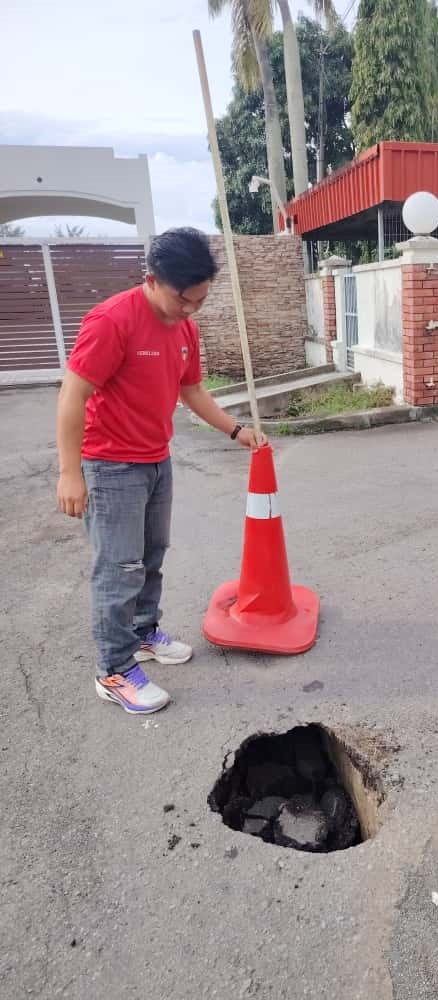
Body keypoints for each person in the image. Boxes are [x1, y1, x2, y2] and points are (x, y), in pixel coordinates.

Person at [56, 227, 266, 716]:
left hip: (155, 459)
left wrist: (237, 431)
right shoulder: (113, 321)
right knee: (118, 568)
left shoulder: (184, 328)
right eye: (183, 300)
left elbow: (191, 392)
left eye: (200, 301)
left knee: (152, 554)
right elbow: (73, 395)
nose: (190, 310)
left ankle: (144, 632)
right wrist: (70, 472)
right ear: (152, 279)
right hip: (110, 466)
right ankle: (113, 668)